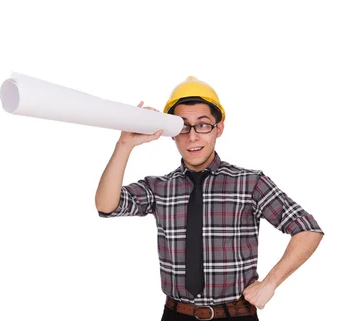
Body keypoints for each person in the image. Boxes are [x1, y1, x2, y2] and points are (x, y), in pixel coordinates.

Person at [94, 76, 324, 321]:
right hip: (175, 315)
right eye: (182, 126)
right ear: (172, 134)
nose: (192, 137)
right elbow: (107, 205)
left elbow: (308, 230)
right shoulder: (159, 187)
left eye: (203, 125)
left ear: (219, 129)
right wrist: (124, 144)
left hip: (236, 315)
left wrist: (270, 283)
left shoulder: (250, 183)